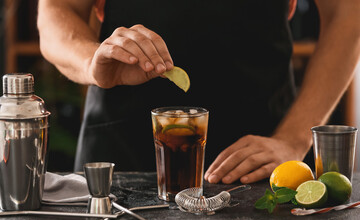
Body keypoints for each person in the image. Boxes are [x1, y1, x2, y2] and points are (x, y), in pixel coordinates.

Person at [37, 0, 360, 184]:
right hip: (122, 154)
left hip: (262, 154)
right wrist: (92, 62)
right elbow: (57, 10)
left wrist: (292, 138)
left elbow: (347, 13)